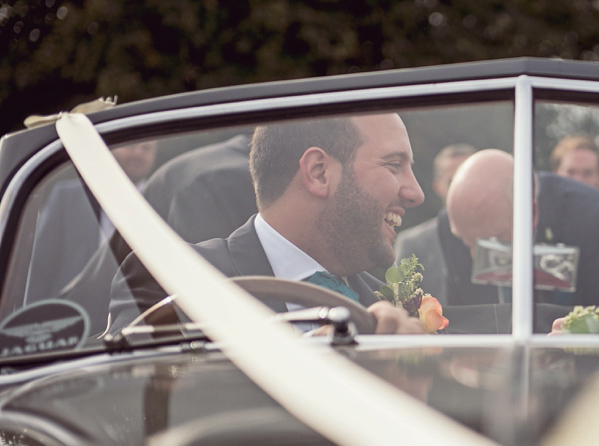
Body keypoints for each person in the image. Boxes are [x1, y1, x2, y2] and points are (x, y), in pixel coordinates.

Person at [108, 113, 427, 334]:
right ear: (319, 173)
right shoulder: (170, 280)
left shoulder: (395, 306)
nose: (416, 193)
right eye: (394, 165)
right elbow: (127, 411)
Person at [438, 149, 599, 307]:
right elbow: (461, 315)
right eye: (465, 240)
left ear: (531, 213)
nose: (476, 256)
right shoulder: (451, 224)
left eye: (491, 240)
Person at [28, 139, 158, 301]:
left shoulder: (162, 202)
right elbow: (41, 268)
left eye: (147, 148)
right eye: (131, 145)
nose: (139, 153)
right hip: (72, 312)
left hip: (136, 316)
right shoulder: (67, 197)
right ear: (110, 148)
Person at [394, 143, 477, 298]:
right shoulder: (412, 244)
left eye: (471, 181)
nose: (463, 189)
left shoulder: (509, 235)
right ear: (437, 186)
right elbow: (399, 306)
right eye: (453, 181)